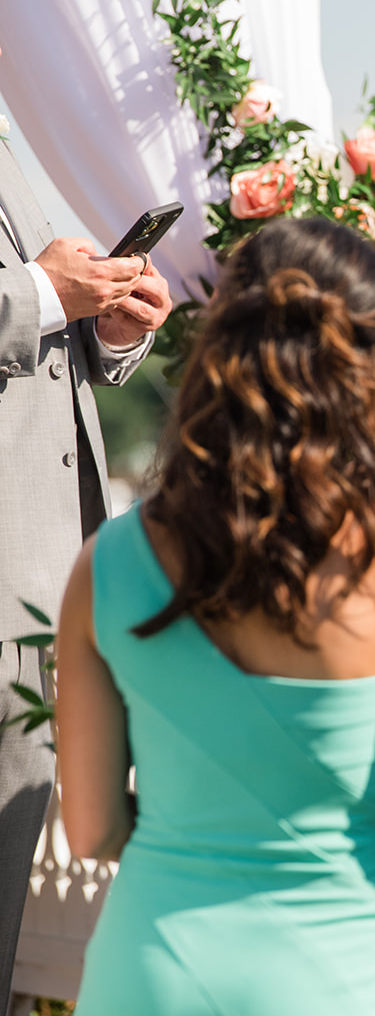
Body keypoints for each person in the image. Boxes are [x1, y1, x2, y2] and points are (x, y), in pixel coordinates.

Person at [53, 217, 375, 1014]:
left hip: (156, 967)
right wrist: (341, 859)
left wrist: (196, 834)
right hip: (345, 970)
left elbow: (93, 828)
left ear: (221, 349)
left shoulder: (107, 561)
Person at [0, 50, 173, 1003]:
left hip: (44, 580)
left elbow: (39, 346)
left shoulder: (12, 144)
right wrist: (38, 294)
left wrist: (106, 322)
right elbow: (23, 300)